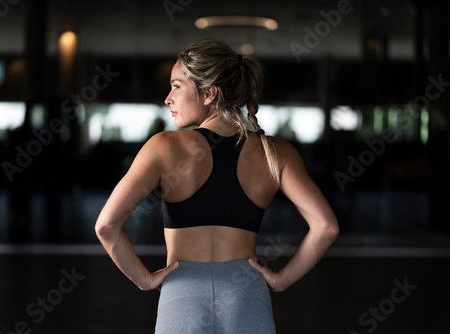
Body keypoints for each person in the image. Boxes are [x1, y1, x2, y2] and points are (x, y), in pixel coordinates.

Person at [95, 39, 339, 333]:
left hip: (181, 299)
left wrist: (144, 279)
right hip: (248, 299)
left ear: (209, 93)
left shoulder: (163, 147)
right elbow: (326, 227)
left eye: (176, 86)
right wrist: (280, 280)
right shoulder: (276, 153)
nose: (168, 99)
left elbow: (106, 226)